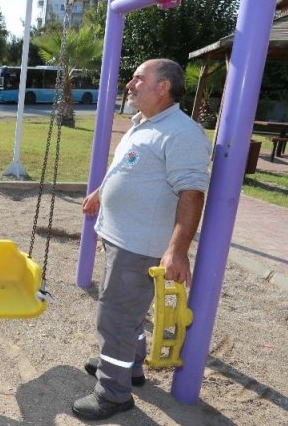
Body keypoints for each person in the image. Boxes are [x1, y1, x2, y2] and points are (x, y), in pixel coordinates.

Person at [73, 58, 211, 420]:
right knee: (127, 315)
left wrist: (177, 250)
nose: (130, 84)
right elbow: (129, 168)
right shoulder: (145, 123)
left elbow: (192, 193)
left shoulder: (181, 133)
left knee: (114, 317)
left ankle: (113, 393)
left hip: (140, 246)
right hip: (121, 237)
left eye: (138, 78)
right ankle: (129, 368)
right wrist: (102, 192)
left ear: (162, 87)